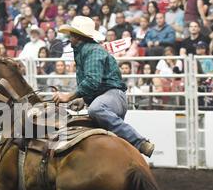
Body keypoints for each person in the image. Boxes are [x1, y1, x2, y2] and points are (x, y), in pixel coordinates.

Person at [52, 16, 155, 157]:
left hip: (113, 95)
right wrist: (82, 99)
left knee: (96, 109)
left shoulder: (93, 51)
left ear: (78, 36)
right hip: (108, 96)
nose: (69, 38)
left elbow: (92, 81)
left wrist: (69, 96)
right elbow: (97, 83)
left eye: (72, 34)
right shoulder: (86, 51)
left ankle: (139, 142)